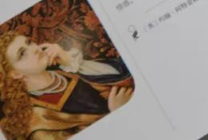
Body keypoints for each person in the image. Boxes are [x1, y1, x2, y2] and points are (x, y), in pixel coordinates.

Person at [0, 32, 133, 140]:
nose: (34, 49)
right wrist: (118, 114)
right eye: (22, 53)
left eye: (29, 42)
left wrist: (67, 59)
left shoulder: (63, 68)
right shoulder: (39, 120)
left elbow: (118, 73)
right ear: (16, 74)